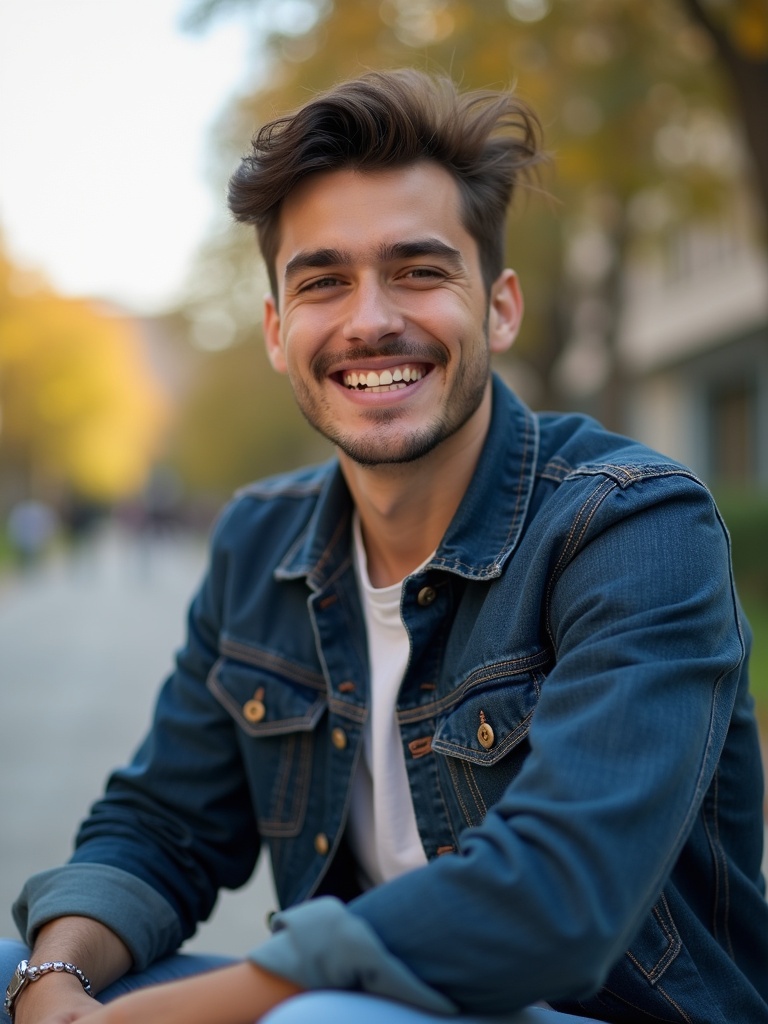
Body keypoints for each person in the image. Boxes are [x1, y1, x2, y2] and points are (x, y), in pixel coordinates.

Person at [2, 69, 766, 1024]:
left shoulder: (633, 526)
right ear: (279, 333)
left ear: (500, 307)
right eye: (324, 281)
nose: (370, 320)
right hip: (344, 1007)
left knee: (318, 1018)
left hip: (605, 1012)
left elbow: (558, 897)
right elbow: (160, 827)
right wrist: (54, 985)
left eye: (419, 270)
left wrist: (178, 1012)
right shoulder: (259, 540)